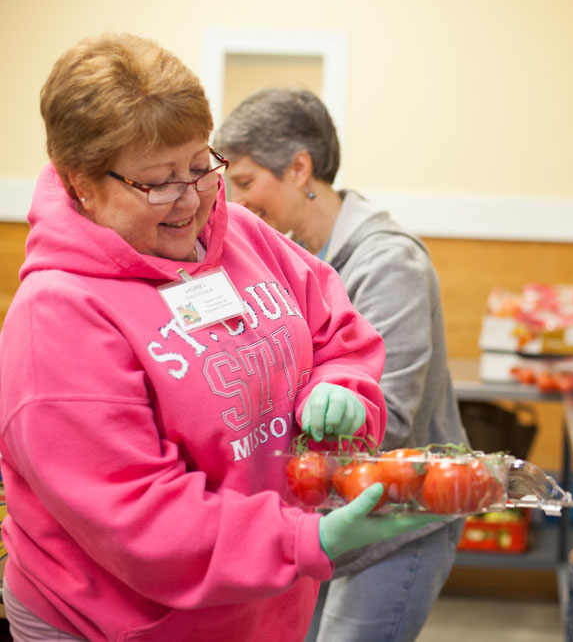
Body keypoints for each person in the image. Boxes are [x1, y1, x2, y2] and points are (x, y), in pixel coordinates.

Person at [0, 34, 441, 642]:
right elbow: (139, 519)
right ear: (81, 185)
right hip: (130, 623)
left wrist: (340, 386)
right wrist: (299, 538)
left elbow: (335, 330)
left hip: (260, 606)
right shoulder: (57, 316)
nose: (193, 199)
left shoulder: (242, 238)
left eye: (201, 165)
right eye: (159, 182)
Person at [213, 88, 469, 642]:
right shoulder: (288, 255)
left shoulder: (388, 262)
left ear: (299, 167)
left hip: (398, 519)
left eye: (246, 181)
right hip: (327, 513)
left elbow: (389, 417)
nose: (234, 202)